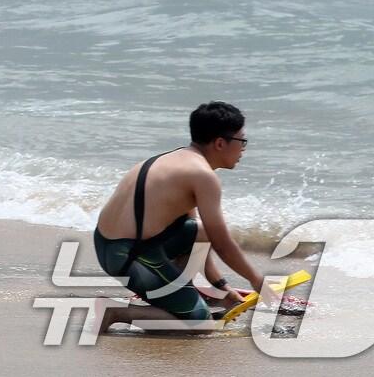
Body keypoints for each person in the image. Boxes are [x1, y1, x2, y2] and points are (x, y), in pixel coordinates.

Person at [91, 101, 262, 333]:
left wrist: (220, 288)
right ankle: (115, 311)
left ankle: (171, 297)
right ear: (220, 143)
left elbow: (196, 235)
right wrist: (257, 281)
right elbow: (222, 244)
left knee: (199, 229)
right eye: (242, 141)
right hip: (127, 256)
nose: (244, 148)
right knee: (202, 325)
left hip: (111, 246)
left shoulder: (177, 160)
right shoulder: (202, 176)